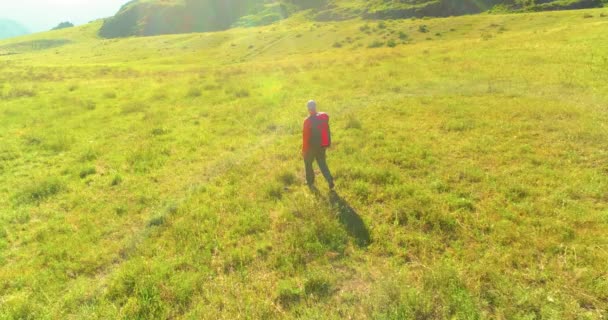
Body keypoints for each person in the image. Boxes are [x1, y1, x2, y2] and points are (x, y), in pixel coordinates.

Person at [302, 100, 335, 189]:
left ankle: (310, 181)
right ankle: (329, 180)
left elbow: (305, 138)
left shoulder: (307, 121)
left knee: (308, 163)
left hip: (311, 148)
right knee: (322, 163)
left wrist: (304, 150)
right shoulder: (323, 117)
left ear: (308, 109)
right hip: (321, 146)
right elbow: (326, 115)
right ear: (315, 107)